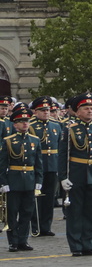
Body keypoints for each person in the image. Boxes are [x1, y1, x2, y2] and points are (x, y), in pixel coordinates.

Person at [61, 93, 92, 256]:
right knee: (75, 213)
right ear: (77, 111)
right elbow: (63, 156)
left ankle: (88, 244)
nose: (90, 111)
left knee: (91, 212)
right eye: (86, 108)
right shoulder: (69, 129)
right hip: (76, 175)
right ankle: (76, 246)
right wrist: (63, 177)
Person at [1, 103, 42, 253]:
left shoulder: (35, 140)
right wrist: (3, 182)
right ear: (15, 124)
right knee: (12, 212)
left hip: (30, 180)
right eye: (21, 121)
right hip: (14, 180)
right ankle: (13, 241)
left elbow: (39, 163)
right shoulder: (8, 140)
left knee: (27, 212)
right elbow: (2, 164)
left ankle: (23, 240)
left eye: (27, 121)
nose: (25, 123)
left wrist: (39, 180)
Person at [29, 96, 62, 238]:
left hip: (52, 164)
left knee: (49, 197)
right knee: (37, 197)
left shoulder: (55, 125)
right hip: (38, 165)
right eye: (42, 110)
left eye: (47, 110)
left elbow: (59, 146)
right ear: (35, 111)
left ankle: (46, 226)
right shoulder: (30, 126)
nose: (46, 113)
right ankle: (35, 226)